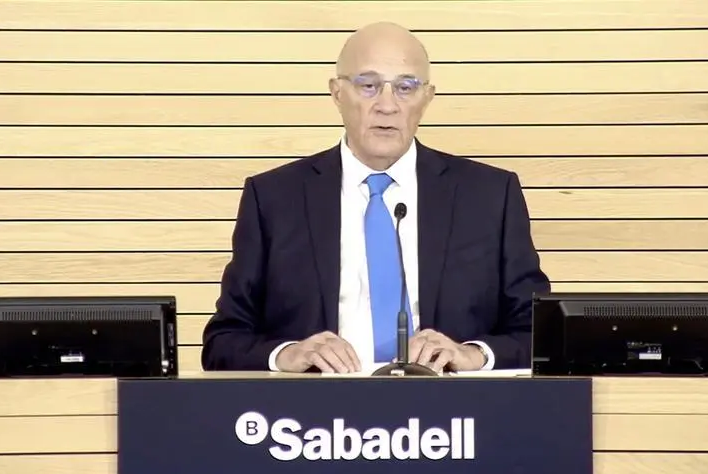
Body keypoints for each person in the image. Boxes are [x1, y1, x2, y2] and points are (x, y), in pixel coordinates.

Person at [201, 22, 550, 374]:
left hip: (450, 403)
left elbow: (540, 332)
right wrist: (287, 354)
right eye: (368, 86)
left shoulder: (489, 196)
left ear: (427, 97)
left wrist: (475, 354)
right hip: (318, 403)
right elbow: (223, 342)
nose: (387, 105)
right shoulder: (274, 198)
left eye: (405, 87)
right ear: (337, 93)